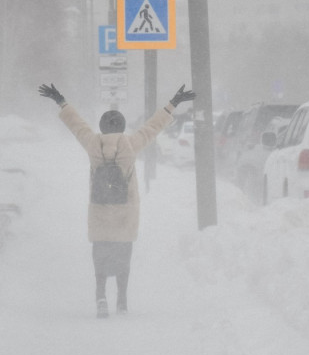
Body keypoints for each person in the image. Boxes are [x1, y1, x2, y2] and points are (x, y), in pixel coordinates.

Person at [38, 83, 196, 318]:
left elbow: (77, 125)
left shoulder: (93, 144)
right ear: (122, 127)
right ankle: (121, 300)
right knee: (124, 259)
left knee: (99, 260)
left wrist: (60, 100)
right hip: (124, 215)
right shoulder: (130, 144)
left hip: (100, 213)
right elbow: (152, 127)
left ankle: (101, 296)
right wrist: (173, 102)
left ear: (101, 127)